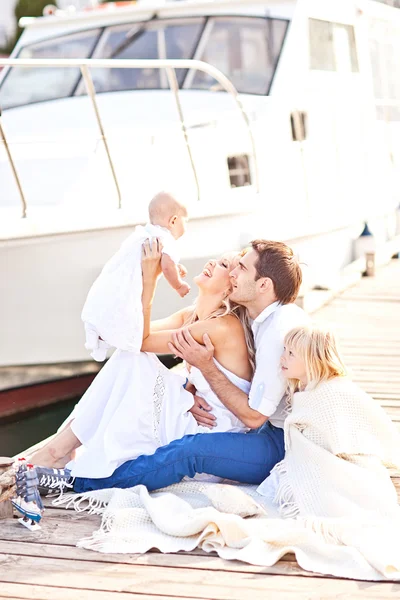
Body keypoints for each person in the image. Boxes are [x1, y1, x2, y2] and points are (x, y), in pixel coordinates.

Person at [26, 239, 309, 496]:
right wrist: (188, 387)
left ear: (260, 286)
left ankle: (71, 472)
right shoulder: (236, 317)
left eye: (236, 268)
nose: (232, 273)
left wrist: (150, 278)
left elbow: (254, 417)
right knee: (132, 363)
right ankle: (61, 450)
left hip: (254, 435)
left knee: (139, 372)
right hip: (228, 419)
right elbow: (134, 338)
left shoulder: (256, 328)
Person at [257, 325, 400, 521]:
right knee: (274, 486)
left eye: (291, 353)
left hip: (339, 458)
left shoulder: (330, 391)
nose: (282, 357)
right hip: (315, 454)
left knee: (320, 491)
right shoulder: (305, 389)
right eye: (284, 350)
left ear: (311, 361)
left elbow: (336, 436)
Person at [82, 191, 190, 362]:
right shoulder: (167, 238)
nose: (187, 226)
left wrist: (175, 267)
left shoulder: (145, 233)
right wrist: (179, 284)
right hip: (134, 282)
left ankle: (101, 333)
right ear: (174, 221)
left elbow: (166, 264)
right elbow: (167, 267)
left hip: (116, 278)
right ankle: (109, 334)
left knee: (118, 302)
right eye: (187, 221)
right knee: (130, 314)